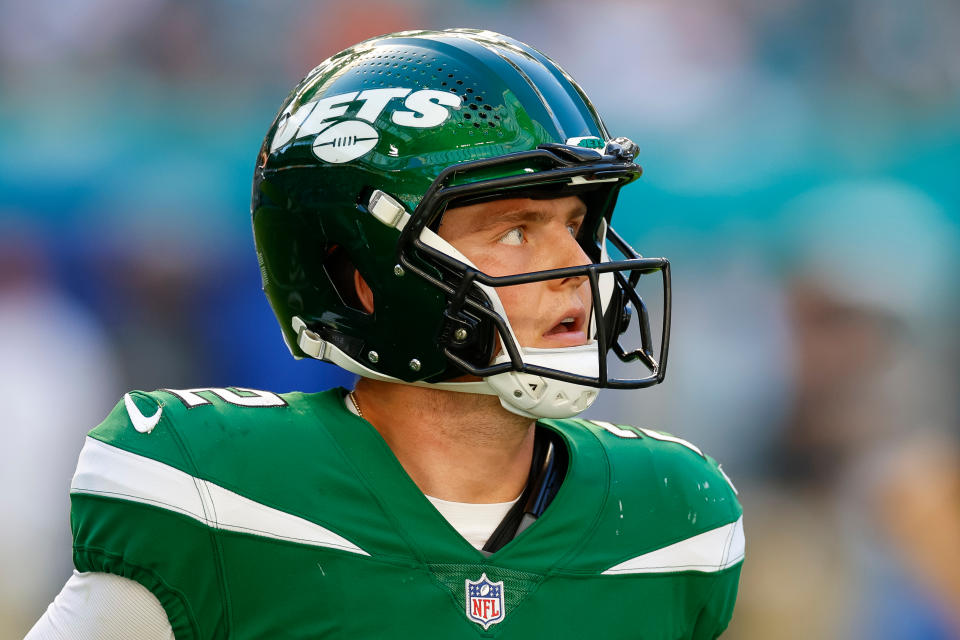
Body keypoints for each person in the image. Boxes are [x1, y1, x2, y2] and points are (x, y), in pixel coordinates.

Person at [27, 28, 743, 639]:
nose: (576, 267)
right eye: (517, 229)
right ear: (361, 273)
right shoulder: (211, 491)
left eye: (579, 227)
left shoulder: (672, 517)